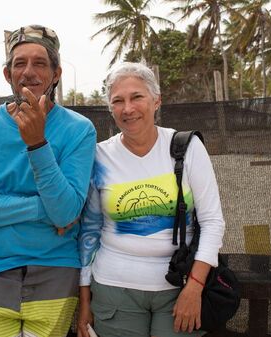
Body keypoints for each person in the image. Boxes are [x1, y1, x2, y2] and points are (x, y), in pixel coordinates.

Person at [0, 25, 97, 337]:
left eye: (40, 63)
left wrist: (37, 145)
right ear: (7, 74)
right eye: (19, 63)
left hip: (57, 268)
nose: (28, 72)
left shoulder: (79, 130)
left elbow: (67, 212)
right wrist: (44, 209)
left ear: (56, 73)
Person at [77, 62, 225, 337]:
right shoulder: (99, 156)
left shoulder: (187, 147)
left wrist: (194, 287)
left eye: (137, 97)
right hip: (114, 289)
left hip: (179, 286)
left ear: (156, 101)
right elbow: (89, 231)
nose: (128, 109)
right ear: (110, 108)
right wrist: (85, 302)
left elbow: (213, 222)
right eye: (117, 101)